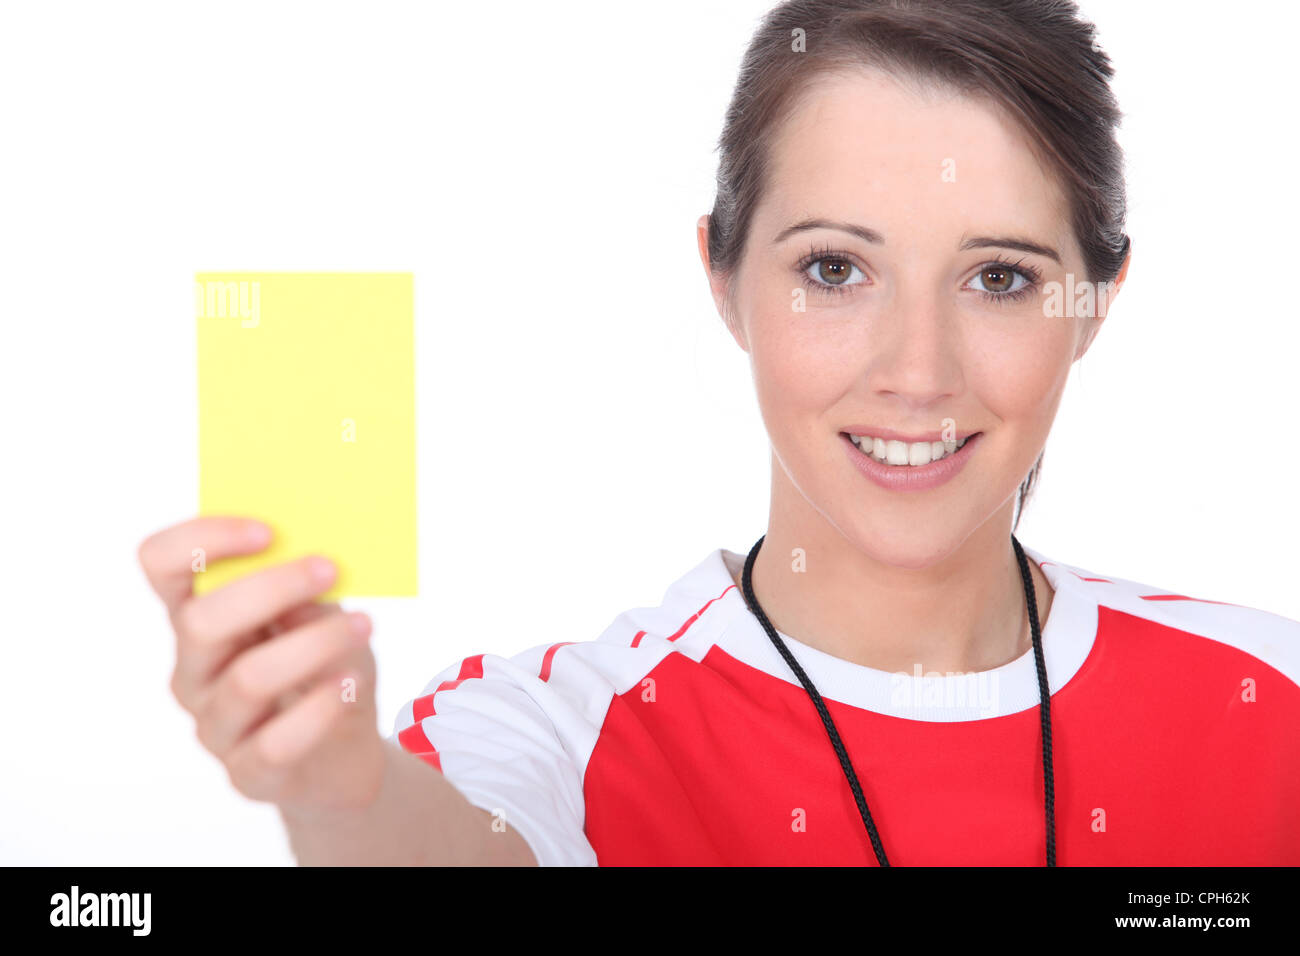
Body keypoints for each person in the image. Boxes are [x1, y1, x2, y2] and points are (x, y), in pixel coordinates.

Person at [139, 0, 1300, 866]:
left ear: (1092, 302)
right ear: (724, 279)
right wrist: (335, 791)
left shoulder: (1270, 701)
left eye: (998, 277)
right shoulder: (565, 724)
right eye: (835, 268)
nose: (916, 369)